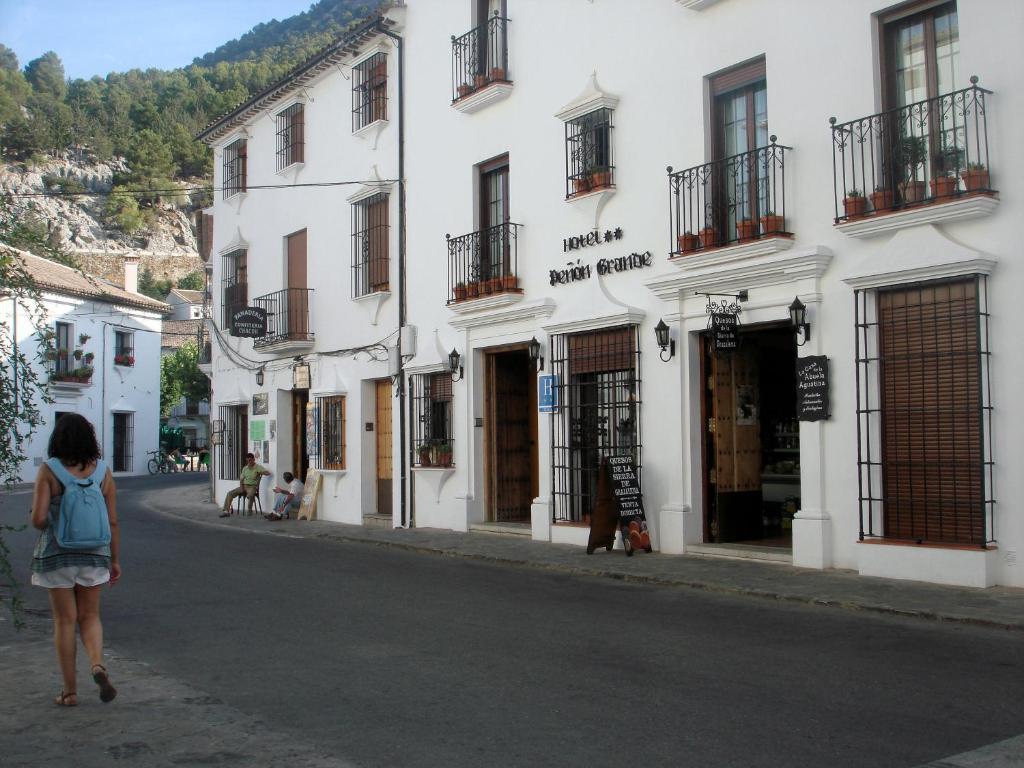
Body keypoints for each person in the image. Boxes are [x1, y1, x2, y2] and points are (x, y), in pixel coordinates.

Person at [30, 413, 120, 707]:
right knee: (90, 616)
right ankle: (97, 664)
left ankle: (69, 692)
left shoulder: (49, 471)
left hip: (57, 555)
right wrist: (114, 560)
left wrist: (53, 522)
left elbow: (39, 518)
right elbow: (113, 522)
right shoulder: (103, 472)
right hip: (94, 555)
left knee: (64, 621)